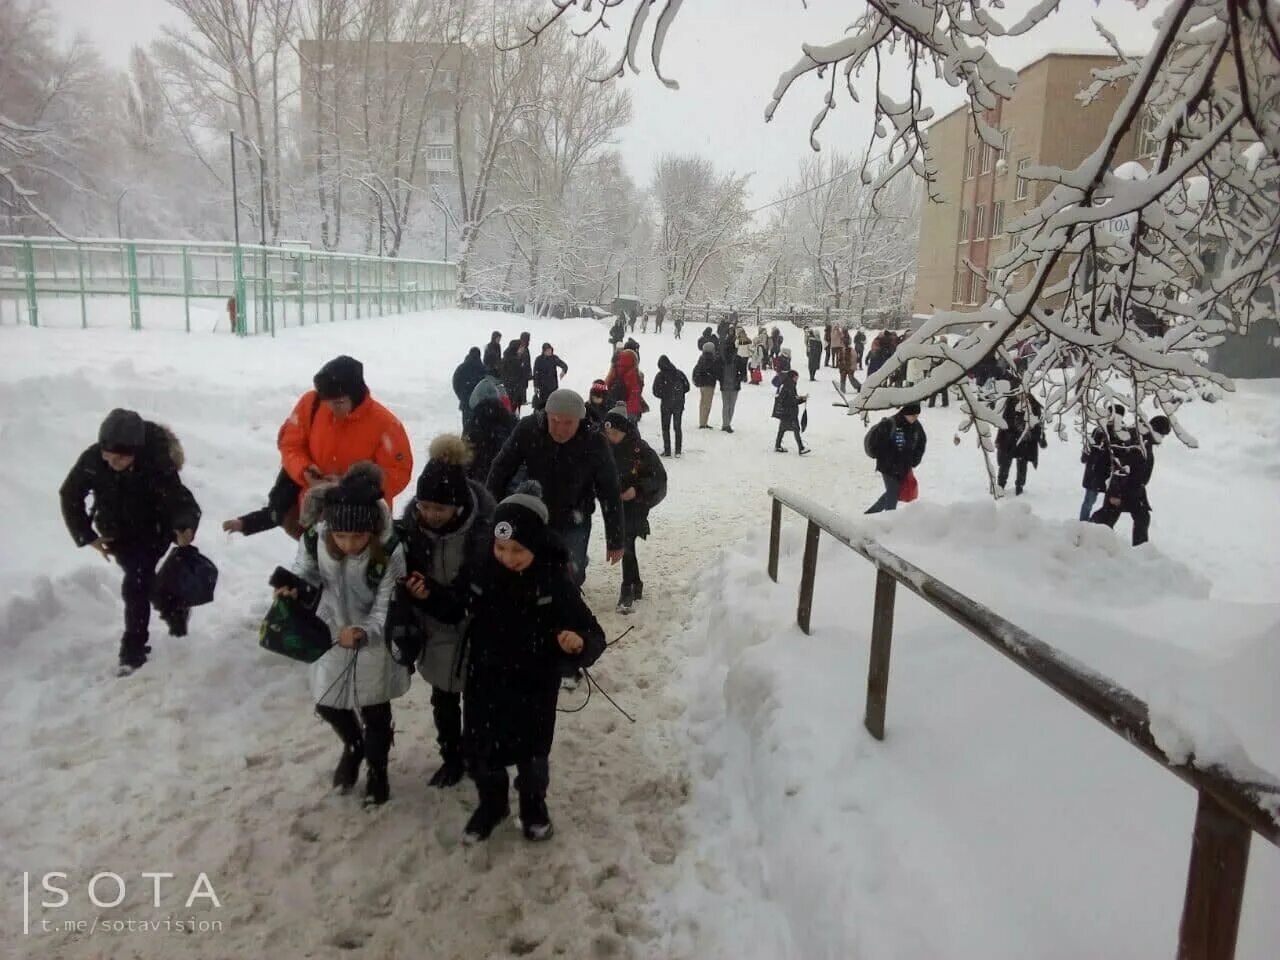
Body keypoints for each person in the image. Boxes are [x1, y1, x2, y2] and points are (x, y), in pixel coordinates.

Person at [460, 483, 607, 843]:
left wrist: (578, 642)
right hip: (484, 681)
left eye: (518, 550)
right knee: (483, 753)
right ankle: (492, 804)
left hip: (534, 686)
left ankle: (533, 807)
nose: (507, 557)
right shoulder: (481, 571)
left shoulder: (554, 580)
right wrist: (424, 597)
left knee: (532, 757)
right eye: (501, 548)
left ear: (536, 545)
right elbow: (452, 604)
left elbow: (592, 632)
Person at [285, 463, 408, 806]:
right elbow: (305, 571)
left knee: (375, 710)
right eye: (341, 537)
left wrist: (365, 633)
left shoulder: (390, 551)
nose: (349, 544)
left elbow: (388, 604)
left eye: (358, 537)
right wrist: (295, 588)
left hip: (372, 642)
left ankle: (378, 770)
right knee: (328, 701)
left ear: (371, 530)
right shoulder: (316, 538)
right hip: (330, 632)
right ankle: (353, 745)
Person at [60, 409, 202, 676]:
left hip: (153, 531)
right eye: (108, 456)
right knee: (141, 581)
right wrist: (87, 536)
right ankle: (173, 607)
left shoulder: (156, 461)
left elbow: (180, 501)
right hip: (116, 533)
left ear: (135, 451)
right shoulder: (94, 459)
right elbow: (70, 494)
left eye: (120, 458)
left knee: (136, 583)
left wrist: (185, 526)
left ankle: (133, 650)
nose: (112, 462)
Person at [393, 435, 496, 789]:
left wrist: (433, 596)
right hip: (435, 630)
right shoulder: (411, 531)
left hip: (475, 630)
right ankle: (451, 757)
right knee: (444, 699)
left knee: (479, 703)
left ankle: (477, 756)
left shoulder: (483, 533)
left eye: (440, 509)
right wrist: (413, 591)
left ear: (458, 507)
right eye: (424, 506)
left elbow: (477, 591)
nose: (431, 515)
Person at [486, 389, 624, 587]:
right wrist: (491, 515)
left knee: (570, 576)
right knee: (529, 571)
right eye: (555, 421)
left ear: (580, 420)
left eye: (568, 423)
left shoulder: (594, 441)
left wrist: (615, 539)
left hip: (574, 516)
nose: (560, 429)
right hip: (533, 513)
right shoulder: (528, 429)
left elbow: (609, 489)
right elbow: (500, 470)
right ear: (547, 415)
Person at [277, 355, 414, 536]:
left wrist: (349, 487)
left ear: (355, 395)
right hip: (315, 514)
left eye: (339, 402)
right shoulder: (311, 404)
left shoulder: (386, 425)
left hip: (361, 523)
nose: (331, 408)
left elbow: (398, 472)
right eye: (327, 401)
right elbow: (290, 445)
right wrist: (304, 470)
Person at [603, 408, 667, 613]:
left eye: (615, 433)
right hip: (616, 504)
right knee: (626, 540)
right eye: (608, 433)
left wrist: (637, 490)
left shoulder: (640, 449)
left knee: (626, 539)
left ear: (624, 431)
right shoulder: (604, 447)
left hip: (637, 503)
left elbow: (659, 478)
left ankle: (628, 588)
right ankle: (636, 583)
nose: (611, 437)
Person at [1091, 415, 1171, 546]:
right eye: (1162, 434)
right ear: (1154, 430)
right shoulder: (1136, 441)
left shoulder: (1146, 441)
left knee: (1142, 518)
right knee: (1106, 518)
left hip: (1135, 490)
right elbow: (1122, 466)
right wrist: (1115, 493)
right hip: (1121, 488)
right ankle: (1089, 534)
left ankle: (1140, 550)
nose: (1162, 439)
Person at [864, 403, 927, 513]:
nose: (915, 418)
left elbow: (921, 443)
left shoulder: (916, 426)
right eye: (913, 415)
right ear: (905, 413)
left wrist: (915, 460)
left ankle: (871, 513)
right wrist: (890, 458)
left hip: (904, 466)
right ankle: (889, 519)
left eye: (917, 416)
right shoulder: (890, 424)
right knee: (893, 492)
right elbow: (879, 446)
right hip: (888, 467)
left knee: (893, 492)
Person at [995, 394, 1046, 495]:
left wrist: (1041, 438)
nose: (1021, 396)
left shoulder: (1033, 405)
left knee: (1022, 465)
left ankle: (1019, 488)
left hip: (1025, 442)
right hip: (1009, 441)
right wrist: (999, 439)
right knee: (1004, 465)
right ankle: (1000, 487)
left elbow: (1038, 425)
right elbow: (1003, 423)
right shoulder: (1011, 403)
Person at [1079, 405, 1122, 521]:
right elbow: (1090, 447)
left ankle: (1094, 523)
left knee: (1103, 504)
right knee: (1089, 501)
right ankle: (1083, 524)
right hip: (1096, 472)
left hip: (1107, 474)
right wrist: (1086, 457)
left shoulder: (1121, 434)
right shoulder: (1099, 430)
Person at [464, 398, 517, 485]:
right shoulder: (513, 424)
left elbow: (466, 461)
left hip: (480, 482)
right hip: (509, 482)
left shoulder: (473, 426)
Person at [651, 354, 690, 457]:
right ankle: (678, 450)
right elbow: (687, 387)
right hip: (678, 404)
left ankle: (667, 450)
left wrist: (664, 395)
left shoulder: (660, 376)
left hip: (666, 405)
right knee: (677, 427)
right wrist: (679, 395)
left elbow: (655, 391)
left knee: (665, 428)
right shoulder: (679, 373)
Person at [772, 370, 810, 455]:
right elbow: (790, 401)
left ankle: (777, 445)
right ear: (792, 377)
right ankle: (801, 448)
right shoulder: (789, 386)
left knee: (782, 429)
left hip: (785, 412)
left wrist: (801, 399)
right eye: (796, 378)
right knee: (796, 429)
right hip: (789, 413)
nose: (797, 380)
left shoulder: (788, 385)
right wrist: (801, 399)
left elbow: (792, 398)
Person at [453, 347, 487, 431]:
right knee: (479, 427)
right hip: (479, 402)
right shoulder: (482, 368)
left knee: (466, 427)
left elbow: (455, 382)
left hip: (465, 402)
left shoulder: (461, 367)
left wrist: (461, 395)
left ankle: (466, 438)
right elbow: (486, 384)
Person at [605, 347, 643, 421]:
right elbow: (634, 394)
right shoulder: (632, 373)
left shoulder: (615, 369)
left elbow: (605, 385)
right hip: (627, 410)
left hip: (612, 407)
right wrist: (631, 412)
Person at [532, 343, 569, 409]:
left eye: (550, 350)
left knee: (554, 406)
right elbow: (535, 374)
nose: (550, 352)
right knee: (543, 407)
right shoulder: (539, 360)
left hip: (553, 387)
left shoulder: (554, 358)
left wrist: (564, 371)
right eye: (547, 350)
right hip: (543, 389)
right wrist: (535, 386)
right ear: (544, 351)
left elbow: (564, 365)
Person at [692, 341, 719, 429]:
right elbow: (715, 371)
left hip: (702, 384)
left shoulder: (702, 358)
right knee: (707, 404)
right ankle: (703, 423)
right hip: (709, 384)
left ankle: (702, 422)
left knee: (703, 403)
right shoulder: (712, 359)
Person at [717, 338, 741, 433]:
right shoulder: (737, 358)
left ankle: (725, 424)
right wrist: (738, 378)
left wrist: (721, 379)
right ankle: (727, 423)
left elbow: (717, 371)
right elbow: (743, 372)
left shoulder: (721, 358)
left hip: (724, 385)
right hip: (735, 385)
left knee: (725, 405)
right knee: (732, 405)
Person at [501, 339, 529, 415]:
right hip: (511, 390)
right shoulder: (509, 360)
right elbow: (505, 375)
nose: (523, 349)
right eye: (521, 347)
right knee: (511, 411)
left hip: (518, 390)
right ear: (515, 348)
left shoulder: (520, 358)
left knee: (516, 412)